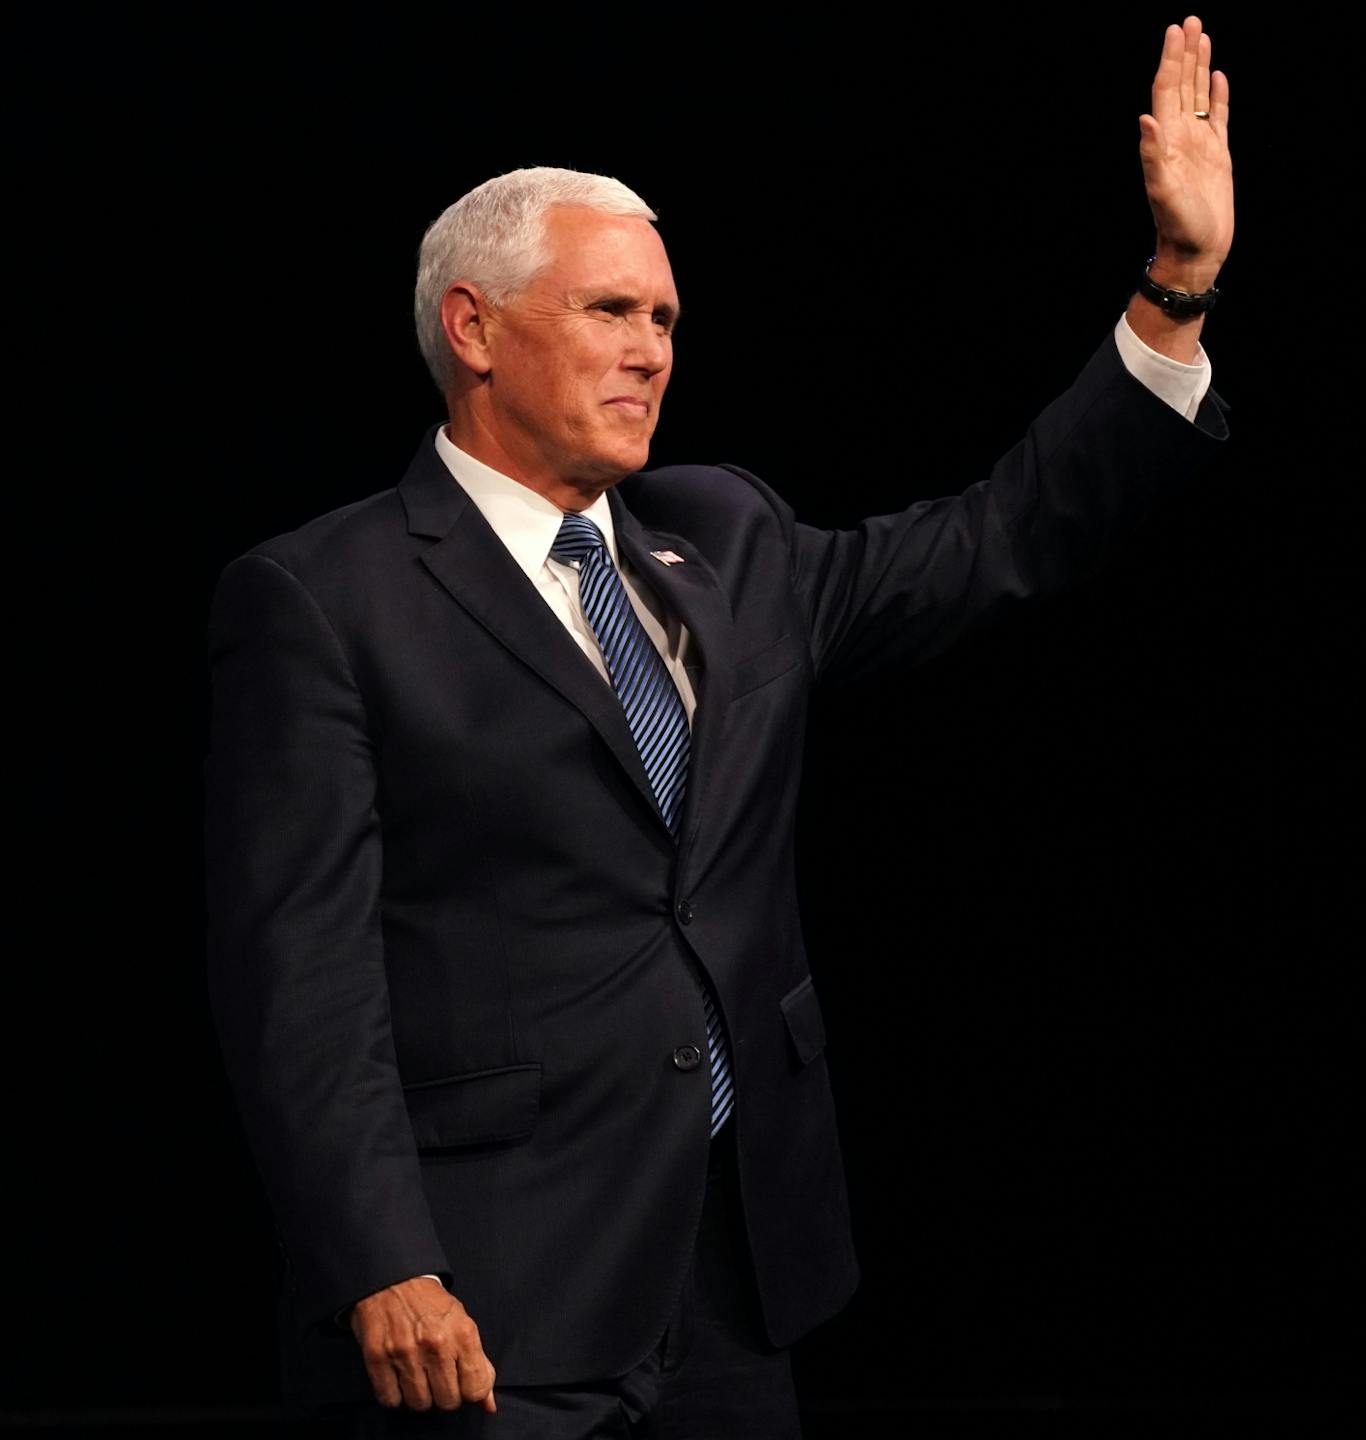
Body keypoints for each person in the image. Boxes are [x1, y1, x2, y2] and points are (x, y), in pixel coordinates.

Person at [204, 16, 1233, 1437]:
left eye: (667, 321)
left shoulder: (725, 538)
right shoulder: (326, 597)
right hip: (487, 1297)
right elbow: (297, 980)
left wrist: (1175, 287)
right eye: (610, 312)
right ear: (475, 328)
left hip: (739, 1285)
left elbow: (999, 539)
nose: (652, 353)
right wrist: (382, 1259)